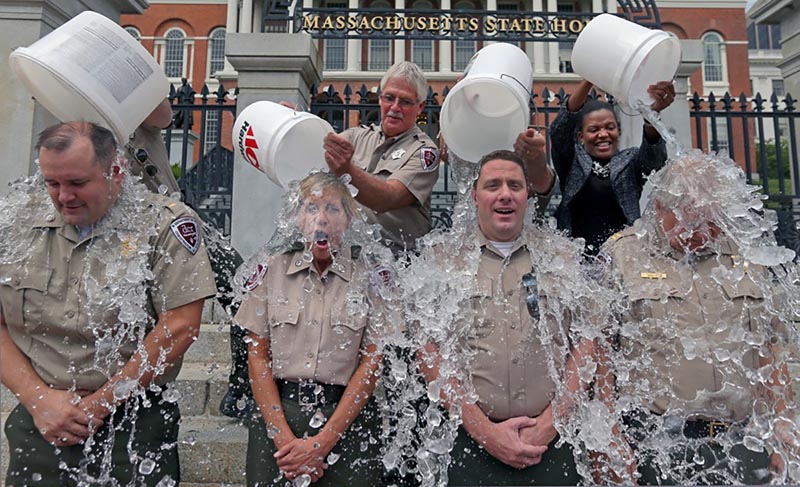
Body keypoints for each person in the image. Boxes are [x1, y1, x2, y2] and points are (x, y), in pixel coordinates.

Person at [0, 121, 217, 486]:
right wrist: (38, 400)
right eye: (52, 183)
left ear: (116, 171)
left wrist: (100, 404)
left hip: (133, 422)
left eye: (77, 183)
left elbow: (180, 326)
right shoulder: (14, 223)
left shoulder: (162, 225)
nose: (63, 196)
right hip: (41, 423)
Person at [414, 150, 633, 486]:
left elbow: (589, 341)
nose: (505, 193)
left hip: (552, 444)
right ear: (475, 196)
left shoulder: (560, 255)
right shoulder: (442, 260)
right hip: (469, 445)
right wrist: (483, 430)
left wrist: (550, 423)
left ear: (527, 195)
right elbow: (427, 349)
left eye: (515, 185)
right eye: (493, 185)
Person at [601, 153, 798, 484]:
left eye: (710, 222)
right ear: (660, 208)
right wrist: (610, 440)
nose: (699, 234)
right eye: (687, 222)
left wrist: (782, 428)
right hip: (655, 443)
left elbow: (770, 351)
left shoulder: (748, 256)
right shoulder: (624, 256)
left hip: (742, 440)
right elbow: (601, 353)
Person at [235, 172, 387, 486]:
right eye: (311, 208)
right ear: (297, 217)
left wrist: (322, 443)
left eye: (332, 209)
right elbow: (258, 358)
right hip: (279, 418)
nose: (321, 219)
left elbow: (372, 363)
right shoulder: (271, 270)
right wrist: (284, 439)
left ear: (348, 219)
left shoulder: (370, 278)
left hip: (346, 420)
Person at [126, 98, 248, 419]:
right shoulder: (83, 121)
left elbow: (163, 112)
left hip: (174, 221)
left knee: (243, 287)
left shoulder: (135, 106)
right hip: (124, 233)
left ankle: (244, 384)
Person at [549, 78, 675, 255]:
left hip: (623, 259)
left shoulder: (630, 161)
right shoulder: (572, 161)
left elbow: (655, 158)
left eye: (610, 127)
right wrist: (589, 78)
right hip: (574, 261)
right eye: (593, 130)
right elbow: (559, 132)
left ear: (618, 131)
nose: (603, 134)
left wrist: (651, 115)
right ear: (580, 137)